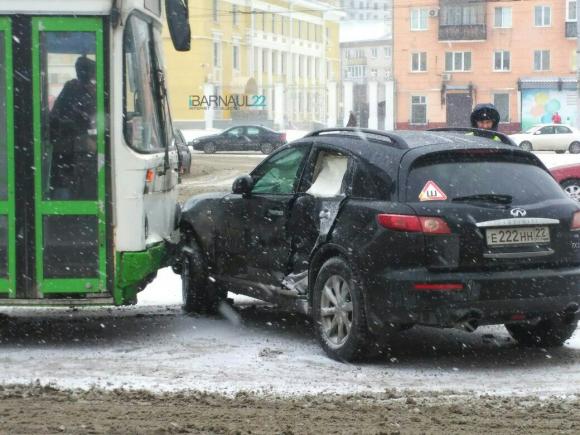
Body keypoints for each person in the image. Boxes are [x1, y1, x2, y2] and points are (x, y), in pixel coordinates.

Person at [48, 56, 97, 200]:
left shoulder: (76, 88)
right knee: (66, 181)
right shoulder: (75, 89)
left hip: (70, 146)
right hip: (69, 146)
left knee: (66, 181)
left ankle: (66, 209)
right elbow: (59, 116)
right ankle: (66, 212)